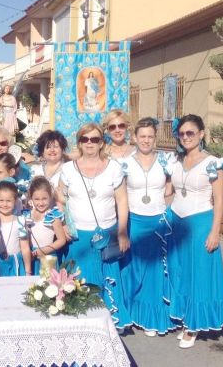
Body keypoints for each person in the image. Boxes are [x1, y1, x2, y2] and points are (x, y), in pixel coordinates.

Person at [167, 115, 223, 348]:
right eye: (182, 133)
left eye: (191, 133)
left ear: (201, 134)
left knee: (199, 274)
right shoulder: (175, 161)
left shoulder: (214, 163)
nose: (186, 137)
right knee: (182, 272)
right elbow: (170, 192)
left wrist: (215, 231)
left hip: (200, 224)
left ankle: (193, 326)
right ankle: (186, 317)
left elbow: (219, 201)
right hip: (177, 223)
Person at [56, 122, 132, 330]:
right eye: (85, 139)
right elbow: (60, 200)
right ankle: (81, 322)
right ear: (79, 142)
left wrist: (123, 232)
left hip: (106, 233)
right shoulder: (68, 169)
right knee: (79, 277)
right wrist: (62, 225)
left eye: (95, 139)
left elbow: (122, 202)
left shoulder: (114, 168)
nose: (90, 143)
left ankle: (109, 322)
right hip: (77, 235)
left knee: (107, 277)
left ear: (101, 143)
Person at [119, 117, 176, 337]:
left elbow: (174, 184)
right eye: (142, 136)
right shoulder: (125, 162)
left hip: (158, 220)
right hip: (134, 220)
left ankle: (151, 318)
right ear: (134, 137)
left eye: (150, 136)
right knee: (132, 269)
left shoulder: (165, 160)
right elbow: (120, 194)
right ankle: (131, 314)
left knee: (153, 271)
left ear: (155, 138)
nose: (146, 140)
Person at [23, 176, 67, 275]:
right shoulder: (27, 215)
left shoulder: (52, 216)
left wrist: (44, 250)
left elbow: (61, 240)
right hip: (31, 257)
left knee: (47, 287)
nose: (41, 203)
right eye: (37, 199)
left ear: (50, 196)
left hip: (48, 257)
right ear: (31, 198)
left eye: (44, 199)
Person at [0, 181, 30, 276]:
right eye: (1, 200)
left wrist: (28, 271)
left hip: (15, 263)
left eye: (9, 201)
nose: (5, 204)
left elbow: (25, 247)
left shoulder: (20, 221)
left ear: (15, 201)